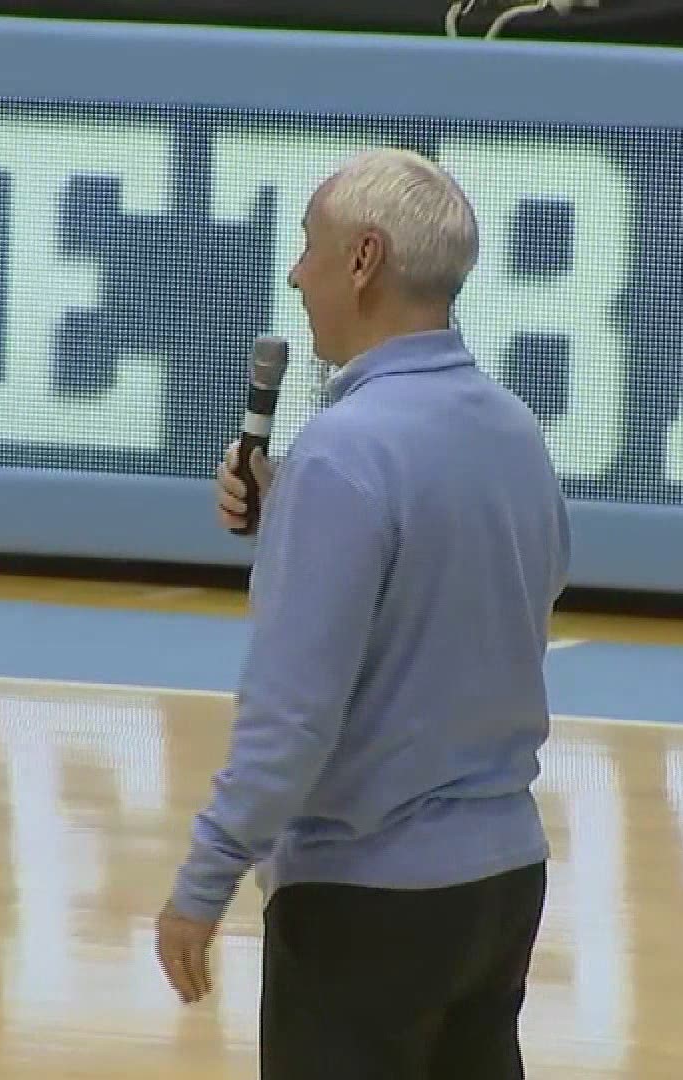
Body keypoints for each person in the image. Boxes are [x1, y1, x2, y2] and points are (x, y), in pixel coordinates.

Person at [153, 145, 572, 1079]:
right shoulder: (513, 428)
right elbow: (504, 602)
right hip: (503, 885)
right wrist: (293, 511)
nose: (296, 273)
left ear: (364, 259)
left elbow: (293, 715)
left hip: (365, 900)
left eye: (310, 245)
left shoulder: (344, 455)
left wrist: (205, 880)